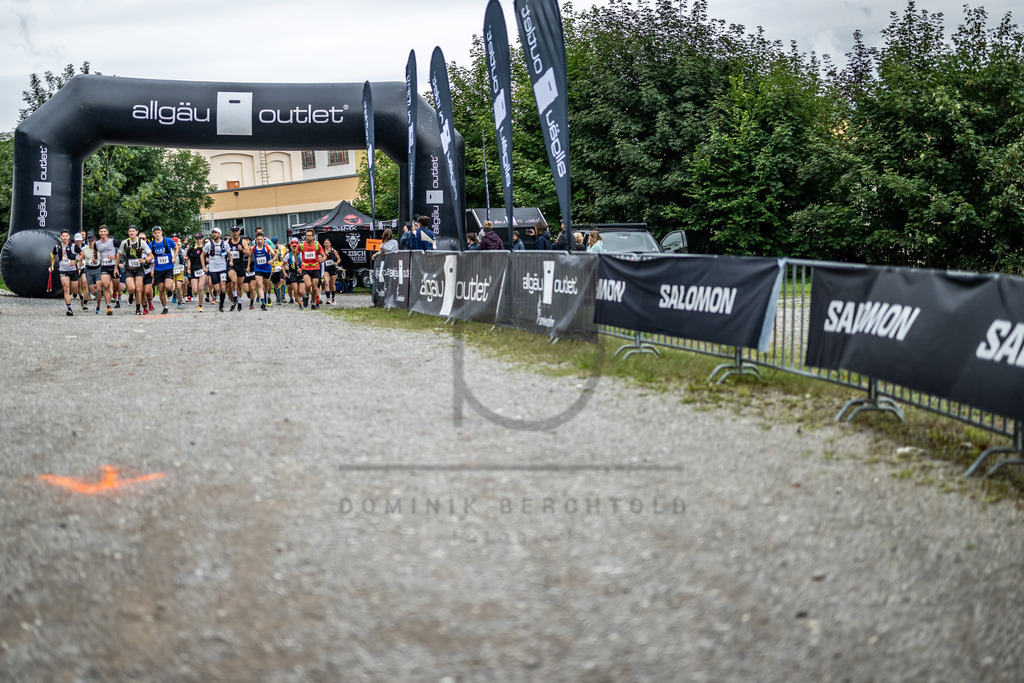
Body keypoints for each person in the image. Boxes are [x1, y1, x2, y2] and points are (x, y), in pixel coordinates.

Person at [116, 225, 152, 316]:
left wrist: (145, 260)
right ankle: (131, 294)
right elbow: (119, 255)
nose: (131, 233)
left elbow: (151, 255)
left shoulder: (142, 243)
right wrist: (115, 267)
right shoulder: (125, 242)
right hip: (129, 269)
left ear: (136, 232)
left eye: (133, 231)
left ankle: (138, 309)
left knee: (139, 289)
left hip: (139, 269)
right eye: (130, 231)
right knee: (132, 288)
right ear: (128, 233)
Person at [49, 229, 82, 316]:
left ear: (69, 237)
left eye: (66, 236)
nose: (65, 237)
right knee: (66, 289)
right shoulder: (57, 246)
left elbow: (82, 254)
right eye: (63, 236)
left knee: (74, 290)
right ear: (60, 237)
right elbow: (53, 256)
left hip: (73, 270)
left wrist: (75, 261)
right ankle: (69, 308)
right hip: (63, 270)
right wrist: (52, 266)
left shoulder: (73, 246)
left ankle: (75, 294)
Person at [149, 226, 179, 315]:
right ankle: (165, 307)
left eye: (158, 232)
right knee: (160, 289)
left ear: (161, 232)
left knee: (168, 286)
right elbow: (149, 254)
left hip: (168, 267)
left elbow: (176, 247)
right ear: (153, 234)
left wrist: (174, 257)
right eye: (155, 233)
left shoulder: (168, 241)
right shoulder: (152, 244)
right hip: (158, 269)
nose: (157, 234)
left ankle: (170, 291)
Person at [203, 226, 232, 312]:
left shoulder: (224, 244)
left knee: (223, 286)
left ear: (220, 234)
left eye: (215, 233)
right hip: (213, 269)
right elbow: (202, 255)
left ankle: (221, 305)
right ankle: (220, 299)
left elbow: (229, 253)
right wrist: (204, 267)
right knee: (217, 288)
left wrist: (231, 261)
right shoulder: (209, 244)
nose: (214, 234)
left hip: (222, 268)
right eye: (213, 233)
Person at [95, 225, 119, 315]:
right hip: (104, 267)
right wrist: (94, 258)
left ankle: (115, 293)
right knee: (106, 286)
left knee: (116, 287)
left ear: (107, 232)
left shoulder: (113, 241)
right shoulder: (97, 243)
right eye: (101, 231)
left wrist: (115, 256)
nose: (103, 233)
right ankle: (108, 306)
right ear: (99, 233)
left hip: (114, 266)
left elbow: (122, 250)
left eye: (104, 231)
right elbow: (94, 251)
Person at [248, 232, 275, 311]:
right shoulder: (253, 248)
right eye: (258, 239)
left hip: (267, 268)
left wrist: (272, 260)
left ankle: (265, 295)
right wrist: (248, 266)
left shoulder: (267, 247)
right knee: (259, 285)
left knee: (266, 285)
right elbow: (250, 256)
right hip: (258, 268)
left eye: (261, 239)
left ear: (263, 240)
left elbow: (275, 255)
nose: (259, 241)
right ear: (255, 240)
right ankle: (263, 302)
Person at [299, 228, 325, 309]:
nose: (308, 237)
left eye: (310, 236)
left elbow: (324, 256)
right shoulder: (302, 245)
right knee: (308, 284)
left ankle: (313, 303)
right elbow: (296, 254)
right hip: (306, 267)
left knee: (314, 287)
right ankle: (306, 296)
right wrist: (297, 265)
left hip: (315, 267)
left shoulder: (317, 245)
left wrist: (322, 259)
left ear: (313, 237)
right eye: (306, 236)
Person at [226, 224, 249, 311]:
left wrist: (242, 250)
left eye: (237, 231)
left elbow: (249, 253)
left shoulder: (242, 242)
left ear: (239, 232)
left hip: (240, 265)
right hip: (231, 265)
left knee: (239, 286)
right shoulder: (228, 242)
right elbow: (223, 252)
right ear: (231, 232)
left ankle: (239, 303)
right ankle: (235, 296)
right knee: (234, 280)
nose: (235, 233)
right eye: (233, 231)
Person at [81, 232, 102, 313]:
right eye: (89, 241)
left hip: (98, 269)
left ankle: (98, 307)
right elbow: (80, 257)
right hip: (89, 270)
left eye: (92, 241)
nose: (91, 243)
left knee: (99, 288)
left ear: (95, 241)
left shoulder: (99, 248)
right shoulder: (84, 249)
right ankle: (90, 297)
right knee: (93, 291)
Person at [186, 233, 207, 313]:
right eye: (197, 239)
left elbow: (208, 258)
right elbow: (188, 259)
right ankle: (195, 296)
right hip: (194, 271)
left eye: (200, 239)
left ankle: (200, 305)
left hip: (202, 270)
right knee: (195, 291)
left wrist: (206, 266)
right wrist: (188, 268)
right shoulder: (191, 249)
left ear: (202, 239)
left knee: (201, 288)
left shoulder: (205, 249)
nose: (198, 240)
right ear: (195, 239)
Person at [72, 232, 91, 309]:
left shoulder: (85, 247)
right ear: (74, 240)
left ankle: (85, 302)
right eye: (77, 240)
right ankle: (80, 296)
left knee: (85, 283)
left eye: (79, 240)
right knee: (77, 287)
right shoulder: (72, 247)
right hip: (74, 267)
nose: (78, 242)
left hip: (83, 267)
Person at [284, 238, 304, 304]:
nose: (294, 247)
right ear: (290, 246)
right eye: (293, 246)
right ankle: (299, 303)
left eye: (295, 246)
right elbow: (282, 265)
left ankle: (302, 297)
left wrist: (302, 269)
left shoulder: (301, 254)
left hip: (301, 273)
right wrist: (284, 273)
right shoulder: (288, 255)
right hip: (292, 274)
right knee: (295, 289)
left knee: (301, 291)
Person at [322, 238, 341, 305]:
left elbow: (339, 259)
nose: (326, 244)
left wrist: (337, 263)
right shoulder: (322, 251)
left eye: (328, 243)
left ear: (330, 244)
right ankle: (328, 299)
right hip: (325, 268)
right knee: (326, 283)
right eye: (325, 243)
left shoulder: (333, 251)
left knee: (332, 284)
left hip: (333, 268)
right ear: (324, 244)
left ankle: (333, 297)